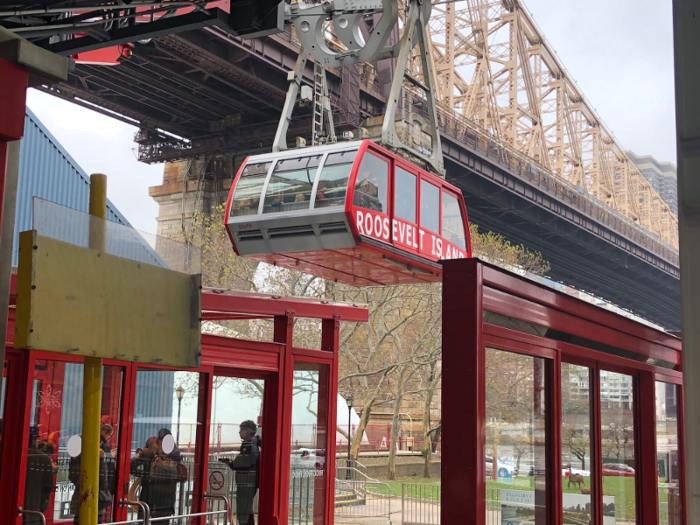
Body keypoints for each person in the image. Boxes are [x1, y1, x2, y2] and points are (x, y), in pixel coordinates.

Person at [130, 435, 178, 523]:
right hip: (166, 498)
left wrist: (143, 474)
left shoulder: (147, 453)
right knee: (161, 521)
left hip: (148, 494)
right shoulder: (169, 456)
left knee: (144, 520)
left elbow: (130, 466)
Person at [221, 420, 260, 525]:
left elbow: (244, 462)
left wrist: (232, 464)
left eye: (242, 430)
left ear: (248, 431)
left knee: (243, 508)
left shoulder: (249, 444)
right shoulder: (251, 443)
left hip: (246, 480)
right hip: (247, 480)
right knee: (246, 507)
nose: (239, 432)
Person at [23, 427, 55, 524]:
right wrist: (40, 508)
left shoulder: (13, 453)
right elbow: (48, 486)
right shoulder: (43, 458)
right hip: (33, 511)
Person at [99, 424, 116, 521]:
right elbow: (99, 456)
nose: (109, 438)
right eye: (108, 435)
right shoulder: (100, 443)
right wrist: (111, 455)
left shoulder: (102, 443)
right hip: (101, 484)